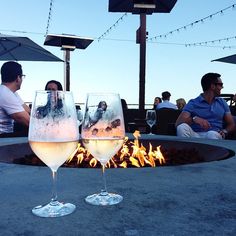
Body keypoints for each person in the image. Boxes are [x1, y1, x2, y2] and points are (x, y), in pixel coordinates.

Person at [175, 72, 235, 139]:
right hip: (195, 135)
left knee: (211, 134)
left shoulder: (222, 102)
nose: (222, 87)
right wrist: (194, 119)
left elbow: (232, 124)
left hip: (214, 134)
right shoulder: (193, 103)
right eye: (220, 85)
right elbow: (178, 123)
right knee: (182, 127)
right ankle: (186, 149)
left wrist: (224, 131)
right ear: (212, 86)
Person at [0, 61, 30, 135]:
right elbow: (28, 121)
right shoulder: (4, 93)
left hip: (7, 136)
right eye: (22, 76)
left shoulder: (12, 93)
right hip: (3, 138)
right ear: (18, 78)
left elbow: (28, 111)